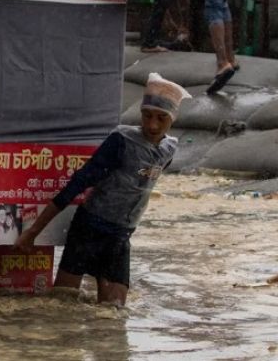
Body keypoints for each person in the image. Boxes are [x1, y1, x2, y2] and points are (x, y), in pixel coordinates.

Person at [15, 73, 191, 306]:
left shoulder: (169, 149)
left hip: (121, 235)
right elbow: (76, 185)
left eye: (161, 118)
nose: (152, 125)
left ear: (173, 119)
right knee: (62, 303)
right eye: (146, 116)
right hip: (90, 228)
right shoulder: (121, 142)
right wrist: (33, 231)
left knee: (114, 311)